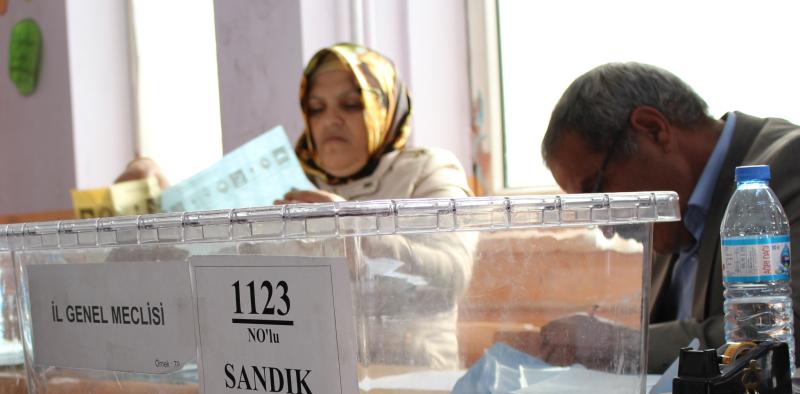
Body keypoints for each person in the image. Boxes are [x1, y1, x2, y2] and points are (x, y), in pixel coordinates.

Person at [539, 62, 800, 373]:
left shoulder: (787, 168)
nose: (607, 228)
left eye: (600, 192)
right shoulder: (671, 214)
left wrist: (619, 343)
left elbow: (780, 331)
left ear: (653, 129)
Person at [276, 43, 478, 368]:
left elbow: (451, 276)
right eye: (316, 108)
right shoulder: (292, 186)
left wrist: (360, 232)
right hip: (314, 378)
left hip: (412, 377)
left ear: (385, 107)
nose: (331, 120)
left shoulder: (428, 169)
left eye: (352, 104)